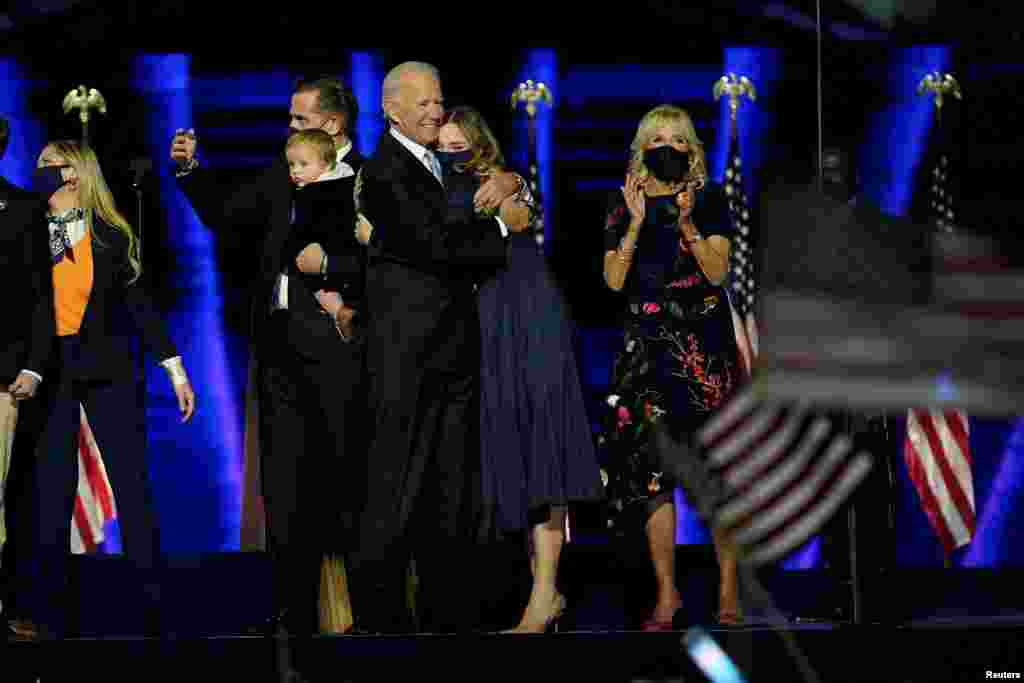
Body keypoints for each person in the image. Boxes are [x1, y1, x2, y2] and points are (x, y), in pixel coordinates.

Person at [170, 76, 365, 637]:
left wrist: (332, 270)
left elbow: (390, 259)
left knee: (344, 483)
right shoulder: (284, 173)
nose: (290, 130)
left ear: (333, 125)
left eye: (300, 120)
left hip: (340, 354)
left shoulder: (368, 178)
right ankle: (291, 616)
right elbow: (228, 214)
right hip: (279, 353)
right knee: (283, 485)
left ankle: (361, 616)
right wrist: (191, 171)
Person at [349, 61, 522, 634]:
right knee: (396, 489)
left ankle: (447, 618)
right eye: (422, 103)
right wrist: (502, 229)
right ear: (391, 109)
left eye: (438, 101)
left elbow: (484, 188)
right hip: (405, 357)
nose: (434, 111)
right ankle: (380, 624)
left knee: (449, 494)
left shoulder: (436, 163)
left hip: (450, 351)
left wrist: (511, 183)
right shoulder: (385, 171)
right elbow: (436, 246)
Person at [9, 139, 195, 640]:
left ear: (74, 174)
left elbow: (141, 307)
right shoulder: (29, 230)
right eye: (39, 164)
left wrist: (175, 371)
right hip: (51, 371)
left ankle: (151, 605)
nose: (40, 172)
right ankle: (47, 610)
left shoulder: (109, 233)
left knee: (132, 483)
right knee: (51, 491)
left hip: (109, 369)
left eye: (51, 165)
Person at [434, 107, 603, 633]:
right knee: (511, 456)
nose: (453, 156)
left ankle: (545, 591)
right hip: (483, 324)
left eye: (460, 146)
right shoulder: (431, 188)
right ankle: (538, 590)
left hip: (530, 317)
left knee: (544, 450)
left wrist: (511, 184)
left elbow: (523, 217)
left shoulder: (502, 183)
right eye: (444, 148)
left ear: (480, 145)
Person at [599, 104, 743, 628]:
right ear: (642, 147)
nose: (667, 147)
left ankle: (728, 591)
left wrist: (686, 222)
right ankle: (667, 593)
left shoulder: (710, 198)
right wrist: (637, 223)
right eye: (656, 138)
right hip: (646, 349)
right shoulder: (622, 201)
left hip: (701, 347)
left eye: (677, 139)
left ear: (691, 150)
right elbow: (613, 281)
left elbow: (717, 272)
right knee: (652, 475)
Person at [0, 115, 54, 625]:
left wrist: (35, 366)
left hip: (3, 379)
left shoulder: (21, 209)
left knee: (3, 500)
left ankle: (9, 604)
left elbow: (41, 296)